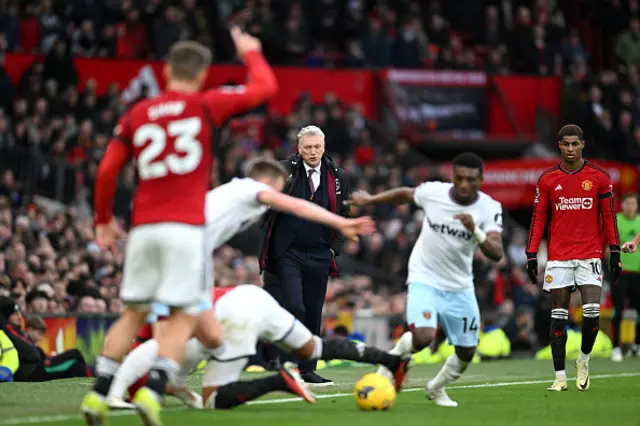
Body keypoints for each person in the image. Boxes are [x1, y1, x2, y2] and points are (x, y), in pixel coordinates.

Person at [83, 28, 278, 426]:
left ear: (166, 70)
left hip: (143, 229)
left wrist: (103, 220)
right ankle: (154, 392)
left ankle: (98, 394)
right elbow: (265, 88)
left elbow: (106, 171)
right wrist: (252, 53)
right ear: (203, 73)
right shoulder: (206, 105)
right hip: (186, 229)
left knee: (133, 312)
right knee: (185, 316)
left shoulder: (137, 113)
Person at [104, 156, 377, 408]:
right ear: (268, 181)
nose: (280, 193)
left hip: (183, 252)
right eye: (280, 187)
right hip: (184, 254)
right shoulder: (250, 190)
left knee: (212, 338)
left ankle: (170, 381)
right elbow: (297, 206)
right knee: (169, 332)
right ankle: (117, 392)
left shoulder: (232, 192)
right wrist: (339, 223)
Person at [347, 152, 504, 407]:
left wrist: (474, 230)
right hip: (424, 275)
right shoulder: (435, 192)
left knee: (466, 352)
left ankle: (436, 388)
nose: (464, 185)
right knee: (422, 337)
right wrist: (371, 199)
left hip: (459, 285)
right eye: (459, 178)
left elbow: (496, 253)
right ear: (452, 177)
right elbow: (407, 194)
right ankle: (390, 363)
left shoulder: (488, 207)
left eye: (471, 180)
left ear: (481, 179)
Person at [116, 285, 412, 411]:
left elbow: (145, 353)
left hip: (233, 315)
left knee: (213, 400)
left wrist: (115, 394)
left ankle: (278, 379)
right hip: (252, 296)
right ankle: (391, 360)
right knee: (314, 348)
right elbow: (179, 389)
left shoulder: (164, 335)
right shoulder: (173, 313)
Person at [526, 124, 621, 392]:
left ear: (582, 144)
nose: (570, 149)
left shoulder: (599, 177)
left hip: (589, 254)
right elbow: (539, 218)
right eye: (565, 144)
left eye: (574, 144)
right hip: (559, 257)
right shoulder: (547, 179)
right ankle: (559, 377)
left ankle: (584, 360)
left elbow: (608, 216)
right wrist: (532, 253)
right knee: (558, 316)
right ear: (559, 145)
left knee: (592, 313)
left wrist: (614, 250)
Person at [260, 125, 350, 386]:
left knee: (313, 312)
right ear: (299, 149)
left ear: (324, 147)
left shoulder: (338, 176)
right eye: (308, 147)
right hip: (288, 252)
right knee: (295, 305)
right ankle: (285, 360)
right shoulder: (283, 170)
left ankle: (307, 369)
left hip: (320, 253)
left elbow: (343, 214)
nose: (313, 152)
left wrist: (335, 249)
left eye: (317, 147)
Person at [0, 297, 91, 382]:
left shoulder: (15, 330)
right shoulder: (8, 330)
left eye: (19, 313)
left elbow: (33, 351)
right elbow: (32, 354)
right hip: (32, 373)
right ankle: (92, 384)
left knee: (74, 361)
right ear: (6, 316)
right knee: (75, 355)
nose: (19, 317)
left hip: (36, 369)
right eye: (15, 314)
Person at [614, 195, 640, 360]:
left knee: (638, 311)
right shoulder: (616, 220)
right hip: (620, 272)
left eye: (633, 203)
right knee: (618, 310)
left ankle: (637, 345)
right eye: (627, 202)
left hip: (638, 272)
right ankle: (616, 347)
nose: (630, 206)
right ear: (622, 204)